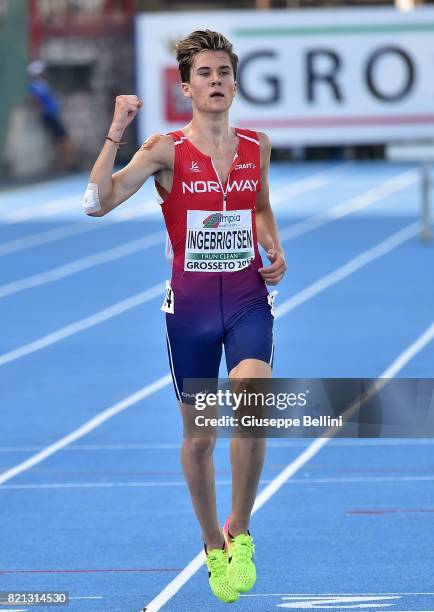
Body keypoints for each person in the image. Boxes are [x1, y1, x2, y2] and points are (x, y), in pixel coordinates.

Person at [84, 30, 286, 604]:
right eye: (205, 73)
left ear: (235, 82)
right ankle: (210, 542)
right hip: (191, 314)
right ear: (186, 86)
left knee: (253, 403)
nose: (216, 81)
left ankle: (240, 531)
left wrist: (274, 246)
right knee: (200, 440)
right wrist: (115, 132)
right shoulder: (165, 150)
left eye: (224, 72)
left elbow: (262, 206)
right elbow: (96, 203)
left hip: (247, 298)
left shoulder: (256, 146)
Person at [28, 60, 76, 172]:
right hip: (50, 115)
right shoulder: (36, 86)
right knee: (64, 139)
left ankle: (64, 164)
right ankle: (68, 164)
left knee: (58, 141)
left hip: (52, 114)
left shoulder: (41, 84)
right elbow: (36, 101)